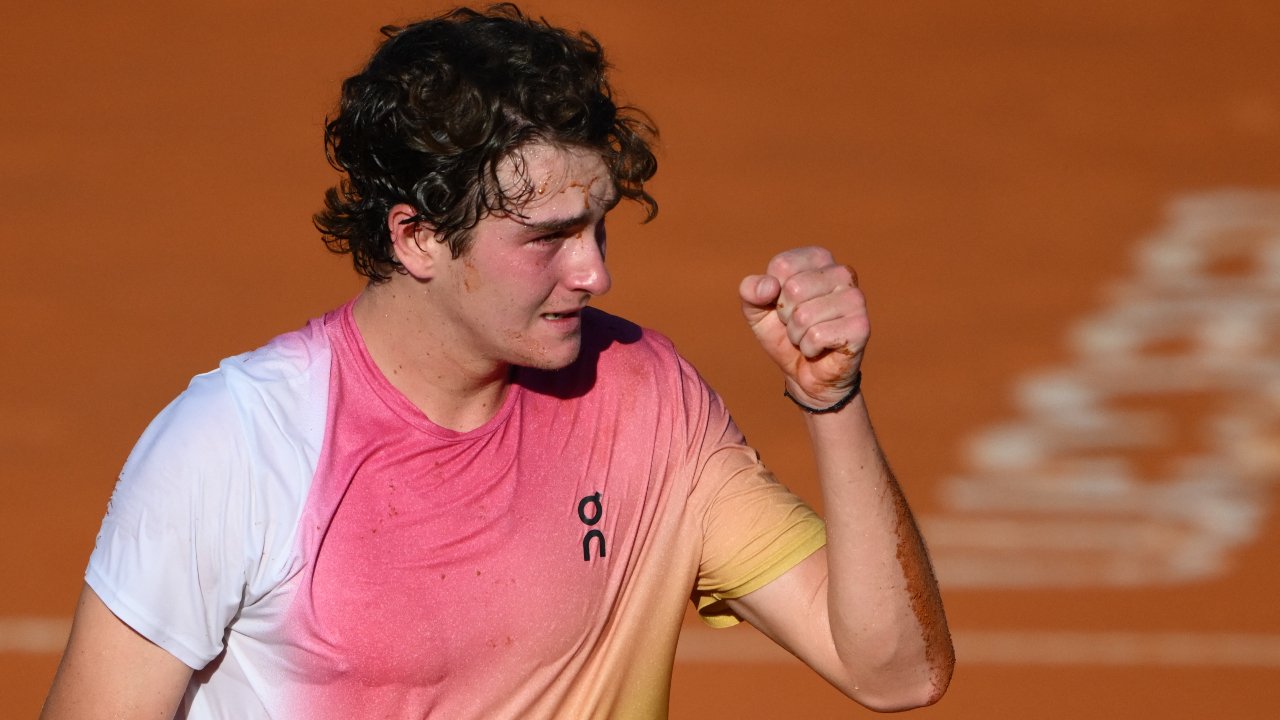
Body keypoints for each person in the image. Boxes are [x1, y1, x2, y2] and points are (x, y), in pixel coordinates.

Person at [41, 4, 953, 718]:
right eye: (547, 238)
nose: (595, 271)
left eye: (598, 225)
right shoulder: (236, 447)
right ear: (419, 237)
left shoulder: (643, 399)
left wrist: (831, 402)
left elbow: (897, 672)